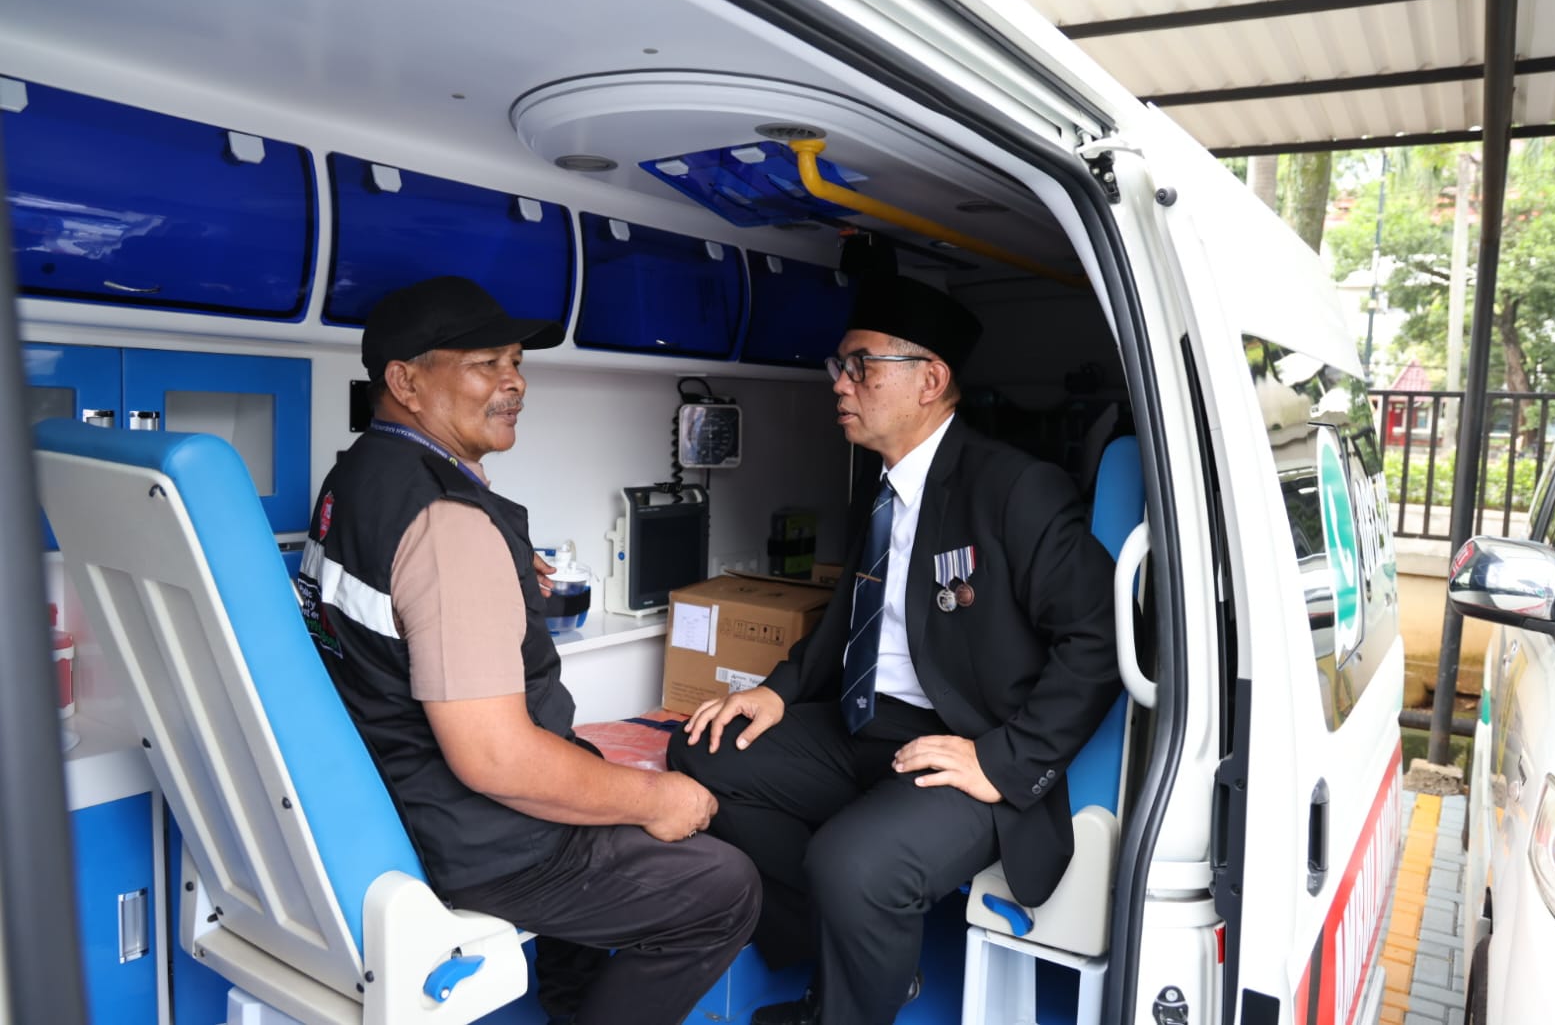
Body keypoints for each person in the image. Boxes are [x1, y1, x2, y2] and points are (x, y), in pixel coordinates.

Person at [298, 275, 759, 1025]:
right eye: (486, 363)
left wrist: (496, 575)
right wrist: (659, 797)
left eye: (516, 362)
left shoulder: (355, 478)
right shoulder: (447, 525)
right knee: (720, 886)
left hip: (398, 790)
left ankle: (574, 1003)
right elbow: (496, 761)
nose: (513, 383)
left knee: (603, 802)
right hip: (476, 836)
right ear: (406, 382)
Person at [667, 275, 1123, 1025]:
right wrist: (778, 690)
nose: (840, 385)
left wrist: (1002, 760)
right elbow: (855, 613)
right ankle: (861, 958)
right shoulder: (878, 490)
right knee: (701, 751)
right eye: (837, 368)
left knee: (852, 863)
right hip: (864, 724)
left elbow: (1099, 635)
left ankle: (846, 1004)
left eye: (861, 367)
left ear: (930, 380)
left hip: (965, 744)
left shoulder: (1015, 489)